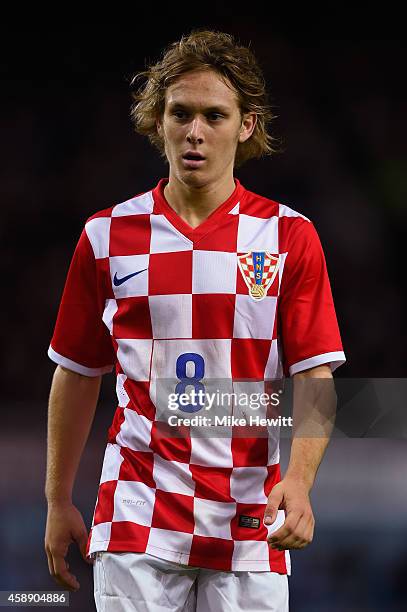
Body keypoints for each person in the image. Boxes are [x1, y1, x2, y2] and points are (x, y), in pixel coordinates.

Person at [44, 29, 346, 611]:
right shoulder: (107, 237)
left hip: (250, 514)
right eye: (180, 113)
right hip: (137, 507)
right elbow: (76, 372)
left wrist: (302, 483)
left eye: (215, 114)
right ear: (159, 121)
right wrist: (58, 499)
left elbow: (315, 376)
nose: (196, 131)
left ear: (247, 125)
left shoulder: (289, 237)